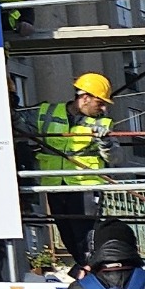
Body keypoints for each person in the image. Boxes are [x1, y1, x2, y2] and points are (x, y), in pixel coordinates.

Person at [25, 72, 115, 264]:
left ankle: (91, 270)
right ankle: (85, 269)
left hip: (86, 187)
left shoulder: (102, 123)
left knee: (87, 237)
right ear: (85, 98)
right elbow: (22, 126)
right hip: (55, 185)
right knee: (67, 235)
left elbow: (116, 158)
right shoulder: (47, 113)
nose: (103, 108)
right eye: (100, 102)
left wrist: (105, 141)